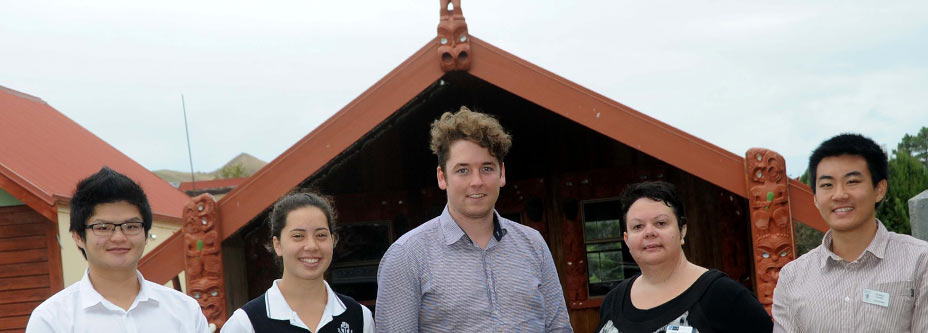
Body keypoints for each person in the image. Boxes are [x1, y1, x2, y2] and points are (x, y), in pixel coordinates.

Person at [375, 106, 572, 332]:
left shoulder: (534, 245)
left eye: (487, 168)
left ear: (502, 174)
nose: (476, 181)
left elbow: (559, 328)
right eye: (463, 170)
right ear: (442, 176)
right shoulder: (407, 256)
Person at [772, 133, 928, 332]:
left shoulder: (920, 261)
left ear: (879, 189)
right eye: (827, 185)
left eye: (852, 181)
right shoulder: (792, 278)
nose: (839, 195)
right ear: (816, 199)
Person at [26, 167, 209, 332]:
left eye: (131, 226)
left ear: (145, 234)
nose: (119, 237)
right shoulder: (51, 320)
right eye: (103, 227)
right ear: (78, 236)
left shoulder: (184, 311)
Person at [596, 181, 772, 333]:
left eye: (661, 223)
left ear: (682, 230)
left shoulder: (722, 295)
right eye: (638, 226)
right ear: (627, 239)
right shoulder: (613, 301)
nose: (649, 232)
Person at [222, 191, 373, 333]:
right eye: (298, 236)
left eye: (321, 235)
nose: (312, 246)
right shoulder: (246, 323)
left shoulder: (359, 318)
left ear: (332, 241)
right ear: (277, 245)